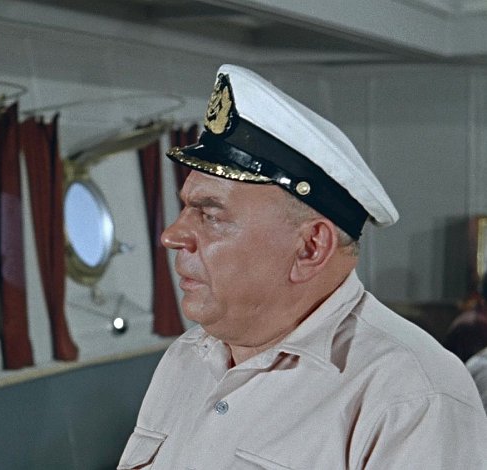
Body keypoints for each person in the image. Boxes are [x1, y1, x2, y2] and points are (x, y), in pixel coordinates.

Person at [118, 64, 487, 469]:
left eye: (210, 215)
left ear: (310, 248)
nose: (171, 235)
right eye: (186, 208)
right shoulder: (186, 358)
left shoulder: (412, 397)